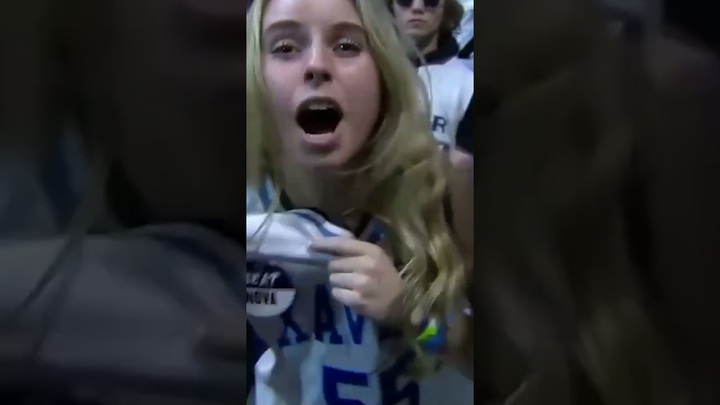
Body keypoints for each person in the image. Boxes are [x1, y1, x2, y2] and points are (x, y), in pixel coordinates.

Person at [245, 0, 475, 403]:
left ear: (384, 75)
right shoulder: (246, 205)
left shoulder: (446, 187)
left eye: (347, 46)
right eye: (285, 48)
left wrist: (413, 316)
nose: (317, 65)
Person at [389, 0, 475, 153]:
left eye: (430, 1)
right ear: (390, 7)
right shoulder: (369, 73)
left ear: (445, 9)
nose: (417, 7)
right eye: (405, 0)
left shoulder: (468, 85)